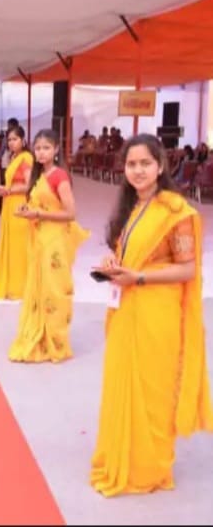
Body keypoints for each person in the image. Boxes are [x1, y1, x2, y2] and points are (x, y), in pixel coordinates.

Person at [89, 133, 213, 496]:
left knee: (152, 391)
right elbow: (133, 256)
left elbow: (187, 269)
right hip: (128, 308)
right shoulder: (133, 208)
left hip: (157, 314)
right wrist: (114, 264)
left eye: (146, 163)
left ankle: (150, 468)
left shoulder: (176, 212)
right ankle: (124, 459)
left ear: (161, 166)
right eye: (132, 164)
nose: (138, 170)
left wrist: (139, 278)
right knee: (125, 384)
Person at [8, 129, 89, 363]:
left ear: (56, 150)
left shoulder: (59, 176)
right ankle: (40, 335)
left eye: (46, 148)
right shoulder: (38, 175)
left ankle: (56, 341)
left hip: (55, 240)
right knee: (40, 288)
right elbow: (38, 204)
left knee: (54, 290)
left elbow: (70, 213)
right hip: (39, 238)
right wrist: (27, 210)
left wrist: (39, 214)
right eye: (38, 148)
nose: (41, 152)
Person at [0, 125, 34, 300]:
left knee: (18, 246)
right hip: (10, 203)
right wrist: (3, 190)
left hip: (19, 204)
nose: (11, 143)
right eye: (9, 140)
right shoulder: (13, 157)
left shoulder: (26, 158)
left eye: (15, 139)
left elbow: (29, 185)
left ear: (23, 140)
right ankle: (12, 284)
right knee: (11, 244)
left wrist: (8, 190)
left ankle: (20, 287)